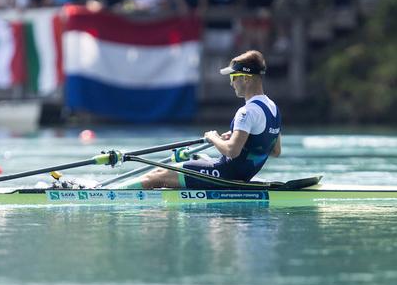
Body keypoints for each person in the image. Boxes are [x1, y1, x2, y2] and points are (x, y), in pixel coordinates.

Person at [120, 50, 281, 189]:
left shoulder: (246, 112)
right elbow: (274, 151)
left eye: (233, 77)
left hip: (225, 175)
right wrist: (238, 137)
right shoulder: (274, 108)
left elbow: (232, 151)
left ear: (246, 78)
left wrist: (213, 138)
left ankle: (112, 193)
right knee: (196, 157)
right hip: (242, 175)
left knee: (158, 174)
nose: (232, 83)